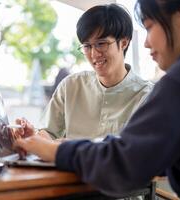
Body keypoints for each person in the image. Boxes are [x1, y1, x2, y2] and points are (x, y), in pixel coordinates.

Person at [12, 0, 180, 199]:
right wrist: (41, 140)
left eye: (150, 26)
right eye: (87, 46)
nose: (146, 43)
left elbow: (125, 162)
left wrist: (49, 148)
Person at [39, 3, 152, 140]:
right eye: (87, 46)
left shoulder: (146, 96)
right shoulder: (70, 86)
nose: (94, 54)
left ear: (124, 43)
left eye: (101, 44)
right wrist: (31, 136)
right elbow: (47, 133)